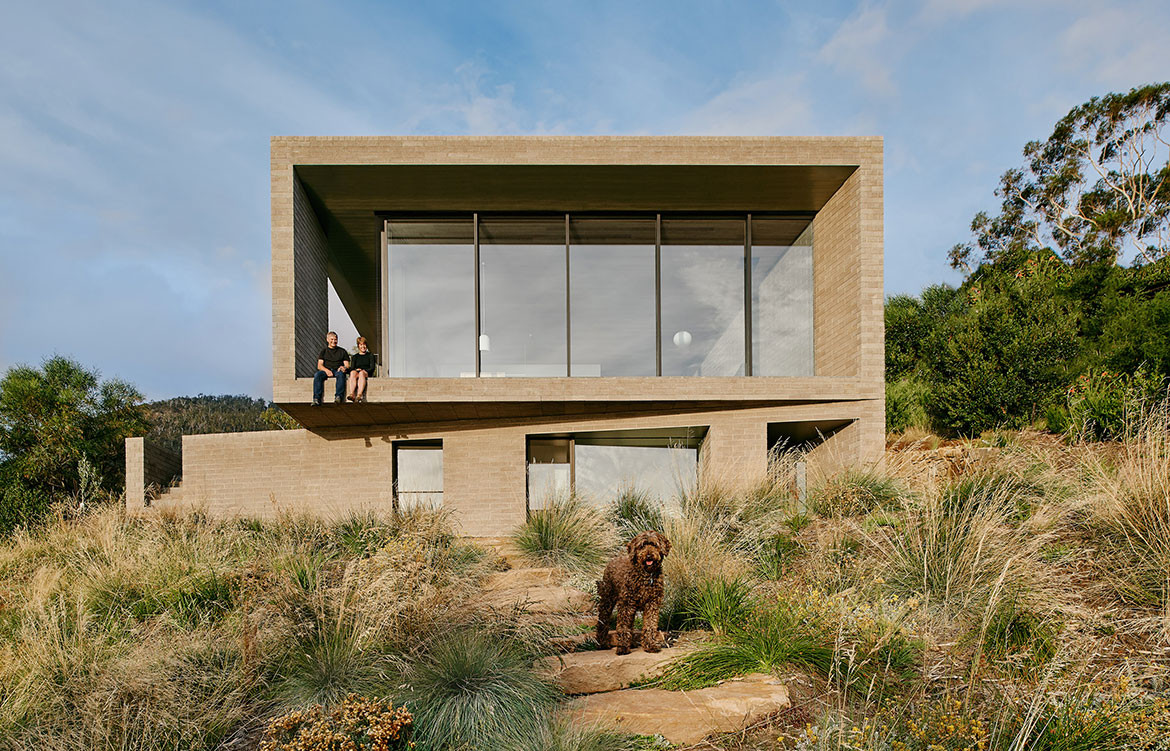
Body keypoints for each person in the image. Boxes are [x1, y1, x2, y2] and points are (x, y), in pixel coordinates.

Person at [313, 331, 349, 405]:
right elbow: (319, 366)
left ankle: (338, 397)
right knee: (317, 375)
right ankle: (316, 398)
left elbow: (347, 365)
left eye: (335, 339)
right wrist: (327, 371)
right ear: (327, 340)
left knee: (341, 374)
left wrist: (343, 367)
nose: (334, 341)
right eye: (332, 339)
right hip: (326, 370)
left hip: (337, 370)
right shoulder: (323, 351)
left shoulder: (342, 351)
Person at [347, 336, 375, 402]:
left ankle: (359, 395)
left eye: (364, 344)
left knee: (362, 373)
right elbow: (352, 368)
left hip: (366, 372)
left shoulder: (370, 355)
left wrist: (363, 370)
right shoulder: (355, 357)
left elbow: (372, 368)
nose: (363, 346)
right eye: (361, 345)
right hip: (357, 372)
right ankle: (352, 394)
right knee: (353, 373)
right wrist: (356, 370)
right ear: (358, 346)